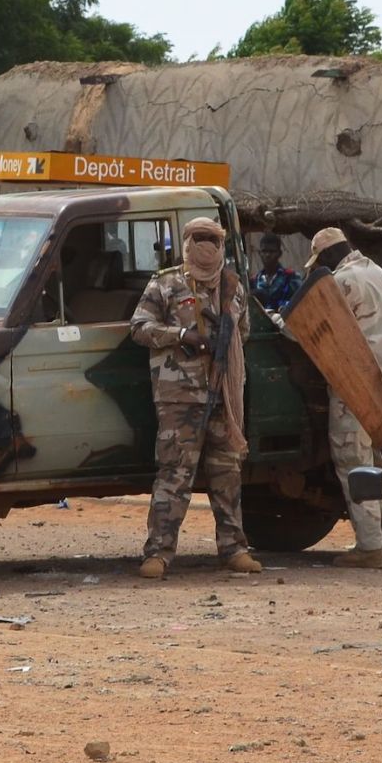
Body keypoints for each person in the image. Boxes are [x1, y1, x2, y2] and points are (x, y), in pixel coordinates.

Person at [126, 216, 262, 579]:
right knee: (175, 475)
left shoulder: (232, 286)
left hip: (224, 397)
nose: (207, 245)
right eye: (199, 238)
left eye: (213, 239)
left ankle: (234, 549)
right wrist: (182, 335)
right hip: (179, 397)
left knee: (227, 475)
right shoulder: (166, 284)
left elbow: (243, 332)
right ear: (186, 242)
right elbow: (139, 328)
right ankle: (158, 553)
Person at [305, 226, 382, 568]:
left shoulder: (341, 281)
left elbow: (317, 325)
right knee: (379, 464)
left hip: (356, 379)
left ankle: (370, 547)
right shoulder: (377, 272)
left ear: (329, 255)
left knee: (353, 461)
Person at [249, 233, 302, 312]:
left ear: (279, 253)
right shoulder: (254, 281)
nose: (267, 255)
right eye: (264, 251)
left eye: (271, 251)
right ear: (260, 254)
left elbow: (299, 301)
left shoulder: (291, 277)